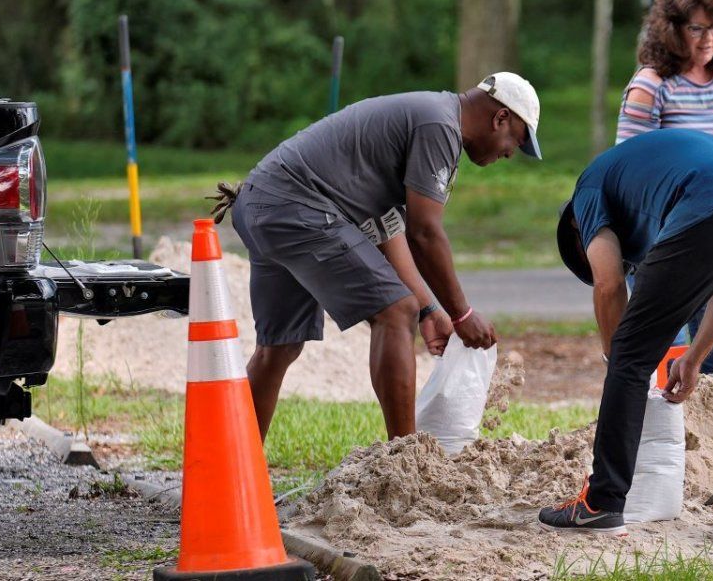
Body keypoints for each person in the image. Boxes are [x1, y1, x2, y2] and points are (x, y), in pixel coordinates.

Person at [222, 72, 541, 442]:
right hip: (295, 206)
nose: (508, 153)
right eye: (514, 141)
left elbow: (389, 231)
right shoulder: (440, 126)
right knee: (394, 310)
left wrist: (429, 309)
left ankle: (232, 471)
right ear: (500, 118)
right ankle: (403, 460)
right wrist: (462, 314)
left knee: (279, 347)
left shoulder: (428, 115)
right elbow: (425, 232)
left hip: (264, 202)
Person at [538, 129, 713, 538]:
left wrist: (621, 362)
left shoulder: (587, 191)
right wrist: (694, 357)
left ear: (577, 230)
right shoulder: (647, 182)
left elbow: (608, 284)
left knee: (629, 352)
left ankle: (601, 503)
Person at [616, 0, 713, 380]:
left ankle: (703, 442)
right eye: (697, 29)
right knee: (668, 351)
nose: (709, 40)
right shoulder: (651, 86)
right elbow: (627, 174)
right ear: (671, 28)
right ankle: (661, 439)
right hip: (666, 243)